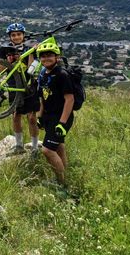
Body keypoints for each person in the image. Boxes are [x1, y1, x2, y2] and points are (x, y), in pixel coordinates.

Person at [0, 23, 40, 156]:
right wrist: (9, 62)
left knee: (32, 118)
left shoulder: (30, 47)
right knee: (16, 116)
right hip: (14, 85)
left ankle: (34, 147)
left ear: (23, 35)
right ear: (10, 37)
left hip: (29, 83)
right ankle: (19, 145)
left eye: (19, 34)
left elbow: (31, 69)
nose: (16, 37)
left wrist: (32, 52)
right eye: (13, 35)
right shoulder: (5, 49)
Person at [36, 42, 75, 186]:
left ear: (57, 57)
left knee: (47, 150)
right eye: (43, 56)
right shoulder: (42, 74)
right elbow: (42, 98)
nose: (46, 58)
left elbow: (70, 99)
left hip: (60, 118)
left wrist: (62, 123)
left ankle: (61, 184)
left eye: (50, 55)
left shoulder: (62, 74)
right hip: (49, 116)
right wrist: (40, 117)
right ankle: (66, 178)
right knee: (59, 147)